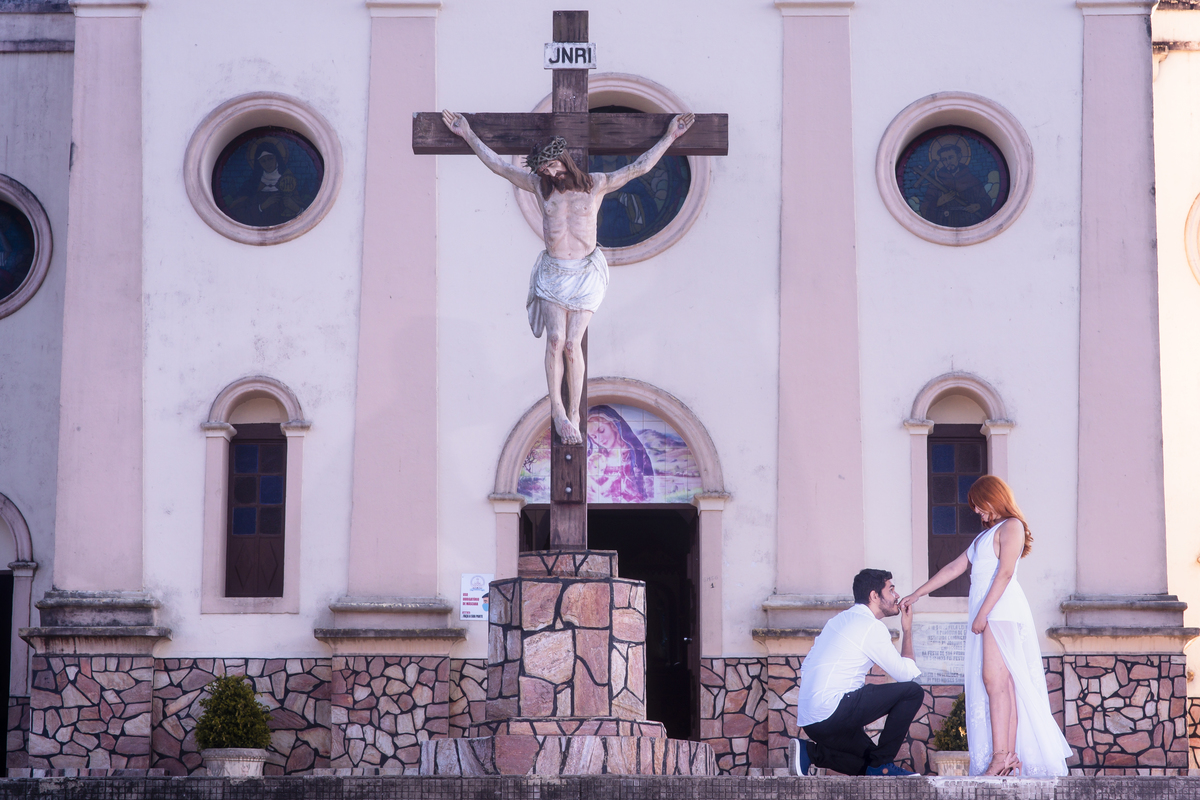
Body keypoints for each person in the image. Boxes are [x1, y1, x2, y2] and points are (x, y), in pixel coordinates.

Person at [440, 109, 694, 445]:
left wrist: (670, 137)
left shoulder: (596, 185)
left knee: (573, 345)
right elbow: (500, 167)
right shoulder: (539, 187)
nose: (547, 172)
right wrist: (468, 135)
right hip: (554, 272)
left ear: (563, 160)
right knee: (556, 340)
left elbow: (640, 168)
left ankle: (575, 411)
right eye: (543, 168)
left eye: (550, 165)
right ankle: (557, 411)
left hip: (586, 273)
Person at [901, 475, 1070, 777]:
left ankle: (1001, 756)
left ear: (992, 498)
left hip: (1001, 610)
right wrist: (918, 594)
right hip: (991, 611)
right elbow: (955, 567)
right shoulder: (983, 537)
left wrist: (982, 614)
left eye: (978, 505)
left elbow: (1004, 573)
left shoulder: (1012, 527)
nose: (976, 511)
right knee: (999, 683)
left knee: (995, 681)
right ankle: (1005, 756)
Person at [793, 569, 924, 777]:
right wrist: (907, 630)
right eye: (891, 590)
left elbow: (808, 665)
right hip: (833, 711)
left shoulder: (838, 621)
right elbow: (906, 675)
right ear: (874, 596)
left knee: (870, 764)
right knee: (912, 692)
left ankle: (811, 752)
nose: (897, 596)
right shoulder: (870, 626)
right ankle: (883, 764)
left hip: (813, 721)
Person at [586, 404, 654, 502]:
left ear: (613, 425)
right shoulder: (596, 459)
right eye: (594, 437)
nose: (600, 439)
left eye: (601, 430)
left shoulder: (637, 455)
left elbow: (647, 494)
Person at [917, 140, 991, 227]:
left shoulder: (972, 180)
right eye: (944, 160)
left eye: (951, 157)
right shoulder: (936, 182)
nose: (948, 162)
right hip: (945, 222)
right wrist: (939, 202)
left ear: (959, 156)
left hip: (968, 221)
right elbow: (924, 207)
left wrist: (978, 206)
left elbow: (986, 201)